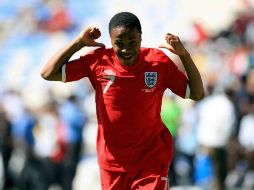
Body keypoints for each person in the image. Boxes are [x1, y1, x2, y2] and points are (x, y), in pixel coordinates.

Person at [40, 12, 204, 190]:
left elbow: (196, 94)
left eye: (132, 42)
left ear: (141, 37)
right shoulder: (99, 60)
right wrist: (78, 43)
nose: (126, 49)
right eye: (119, 43)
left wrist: (184, 55)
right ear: (111, 41)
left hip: (151, 160)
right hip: (112, 163)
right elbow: (48, 73)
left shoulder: (158, 62)